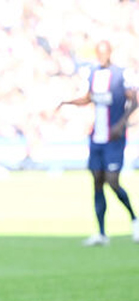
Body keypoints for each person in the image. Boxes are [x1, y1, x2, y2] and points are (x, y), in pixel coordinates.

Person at [58, 40, 139, 246]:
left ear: (110, 53)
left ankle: (134, 219)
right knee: (97, 182)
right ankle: (101, 233)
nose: (102, 56)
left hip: (114, 139)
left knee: (112, 181)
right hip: (97, 138)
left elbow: (135, 99)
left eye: (105, 52)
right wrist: (68, 102)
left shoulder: (121, 75)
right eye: (99, 52)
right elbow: (89, 98)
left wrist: (121, 124)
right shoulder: (93, 73)